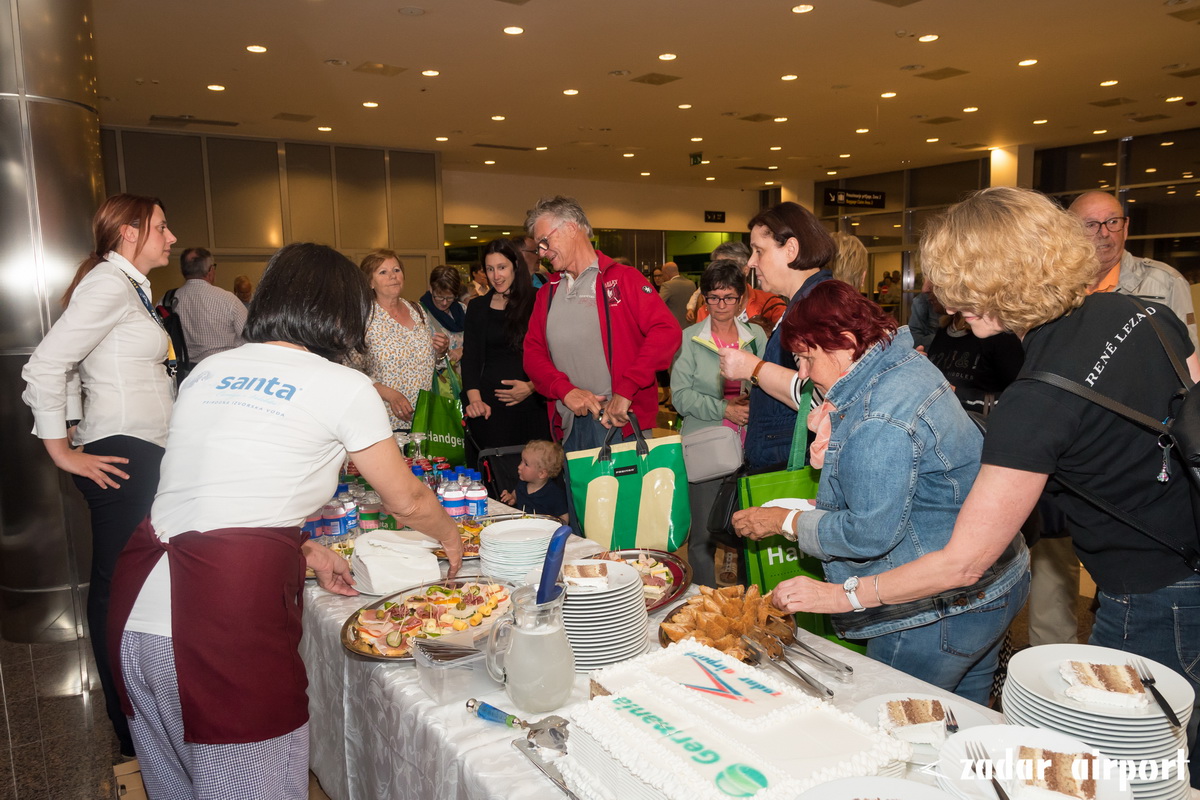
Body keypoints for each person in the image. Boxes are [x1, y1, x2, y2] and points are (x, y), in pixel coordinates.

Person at [771, 188, 1200, 782]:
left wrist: (842, 596)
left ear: (995, 280)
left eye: (957, 287)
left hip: (1148, 591)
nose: (946, 303)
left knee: (1122, 771)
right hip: (1189, 552)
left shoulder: (1035, 401)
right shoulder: (1145, 314)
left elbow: (962, 565)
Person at [108, 242, 463, 799]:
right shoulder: (344, 385)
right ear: (343, 314)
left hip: (136, 603)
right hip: (221, 614)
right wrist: (451, 534)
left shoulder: (210, 370)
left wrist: (303, 547)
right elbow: (407, 500)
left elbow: (215, 491)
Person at [731, 280, 1029, 704]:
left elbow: (867, 534)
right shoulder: (902, 363)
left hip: (933, 613)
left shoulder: (880, 417)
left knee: (896, 728)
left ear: (847, 343)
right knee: (959, 722)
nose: (802, 373)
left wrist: (785, 520)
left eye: (806, 358)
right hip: (995, 582)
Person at [21, 193, 178, 758]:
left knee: (132, 585)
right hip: (123, 454)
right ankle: (127, 722)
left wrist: (74, 419)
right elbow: (46, 363)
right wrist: (62, 449)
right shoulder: (109, 285)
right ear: (130, 232)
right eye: (161, 226)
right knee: (119, 588)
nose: (171, 237)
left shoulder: (129, 287)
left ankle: (141, 712)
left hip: (140, 449)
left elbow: (77, 368)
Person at [522, 195, 681, 452]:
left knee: (630, 494)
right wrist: (566, 391)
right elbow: (532, 354)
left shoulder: (622, 279)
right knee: (580, 494)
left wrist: (626, 390)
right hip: (571, 425)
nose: (541, 252)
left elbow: (666, 332)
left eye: (544, 241)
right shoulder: (548, 292)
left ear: (571, 228)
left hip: (621, 423)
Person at [717, 202, 835, 469]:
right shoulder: (804, 301)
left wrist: (753, 368)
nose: (751, 262)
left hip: (790, 462)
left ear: (791, 249)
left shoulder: (814, 306)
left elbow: (821, 396)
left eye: (759, 251)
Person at [672, 260, 766, 587]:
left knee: (748, 532)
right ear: (704, 299)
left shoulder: (755, 337)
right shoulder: (689, 339)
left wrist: (753, 406)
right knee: (703, 536)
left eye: (728, 297)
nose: (720, 306)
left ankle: (745, 601)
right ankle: (703, 601)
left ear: (741, 299)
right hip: (706, 448)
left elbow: (769, 384)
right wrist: (724, 410)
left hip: (749, 449)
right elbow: (680, 396)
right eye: (713, 298)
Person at [1068, 191, 1197, 349]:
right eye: (1091, 224)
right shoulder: (1055, 286)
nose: (1104, 233)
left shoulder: (1166, 282)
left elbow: (1188, 356)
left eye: (1113, 222)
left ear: (1126, 227)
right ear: (1070, 232)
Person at [462, 239, 551, 451]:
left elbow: (553, 355)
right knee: (493, 477)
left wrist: (531, 387)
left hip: (531, 406)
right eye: (490, 269)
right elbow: (471, 358)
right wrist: (475, 401)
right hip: (489, 410)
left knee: (536, 476)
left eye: (502, 267)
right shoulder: (477, 307)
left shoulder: (539, 300)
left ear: (516, 267)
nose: (496, 276)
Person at [356, 250, 450, 430]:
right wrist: (390, 395)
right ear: (370, 282)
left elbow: (434, 363)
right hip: (382, 421)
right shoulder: (362, 319)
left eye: (396, 270)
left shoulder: (418, 311)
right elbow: (351, 372)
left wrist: (440, 351)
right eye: (383, 272)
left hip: (423, 420)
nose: (393, 276)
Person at [924, 311, 1025, 416]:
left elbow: (1019, 400)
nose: (926, 293)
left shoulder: (1000, 334)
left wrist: (956, 394)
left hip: (982, 427)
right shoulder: (945, 329)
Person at [163, 247, 247, 364]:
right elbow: (251, 337)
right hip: (224, 368)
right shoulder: (228, 300)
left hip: (186, 372)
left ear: (183, 271)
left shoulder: (167, 300)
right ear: (210, 270)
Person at [690, 240, 787, 332]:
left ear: (746, 270)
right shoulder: (705, 310)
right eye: (718, 267)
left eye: (730, 268)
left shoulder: (770, 305)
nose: (723, 274)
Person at [499, 440, 568, 520]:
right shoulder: (522, 484)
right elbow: (516, 493)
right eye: (521, 461)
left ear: (541, 473)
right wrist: (512, 498)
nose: (519, 466)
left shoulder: (554, 494)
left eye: (526, 464)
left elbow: (564, 516)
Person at [420, 264, 467, 372]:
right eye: (440, 297)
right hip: (437, 382)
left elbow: (477, 343)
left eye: (450, 297)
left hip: (462, 379)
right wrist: (442, 355)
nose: (445, 302)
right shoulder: (420, 314)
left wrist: (464, 350)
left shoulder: (463, 310)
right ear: (431, 289)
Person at [658, 262, 697, 329]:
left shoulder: (667, 285)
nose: (663, 277)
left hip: (674, 327)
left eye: (662, 274)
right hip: (690, 327)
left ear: (666, 273)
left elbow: (657, 304)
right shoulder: (691, 284)